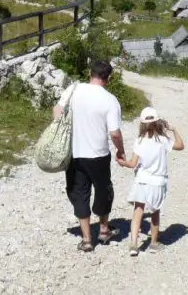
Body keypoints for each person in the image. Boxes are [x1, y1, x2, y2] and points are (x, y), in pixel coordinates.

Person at [53, 60, 125, 252]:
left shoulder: (74, 89)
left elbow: (57, 111)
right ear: (108, 78)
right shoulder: (110, 100)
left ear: (90, 73)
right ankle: (103, 230)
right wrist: (121, 150)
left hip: (74, 153)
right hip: (98, 154)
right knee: (103, 191)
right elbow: (115, 133)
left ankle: (86, 239)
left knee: (79, 193)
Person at [117, 106, 185, 256]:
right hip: (157, 182)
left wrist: (123, 162)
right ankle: (153, 243)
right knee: (155, 212)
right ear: (158, 122)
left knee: (137, 211)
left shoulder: (139, 141)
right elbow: (181, 146)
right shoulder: (163, 140)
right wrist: (173, 129)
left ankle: (134, 245)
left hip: (142, 180)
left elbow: (133, 164)